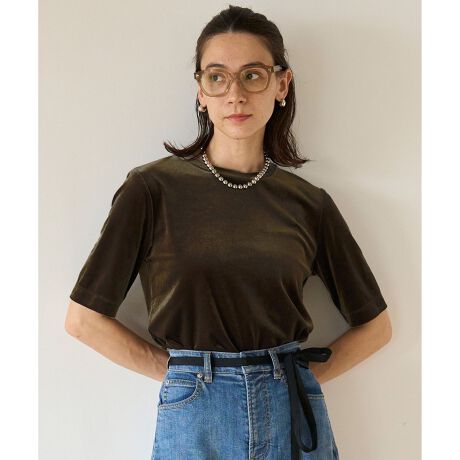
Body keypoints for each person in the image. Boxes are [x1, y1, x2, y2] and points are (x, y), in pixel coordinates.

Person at [65, 5, 392, 460]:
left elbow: (376, 327)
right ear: (201, 91)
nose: (235, 94)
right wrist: (182, 374)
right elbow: (83, 320)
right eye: (217, 77)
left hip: (292, 416)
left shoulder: (309, 203)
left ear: (282, 85)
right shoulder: (152, 190)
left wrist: (294, 378)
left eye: (252, 75)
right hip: (197, 415)